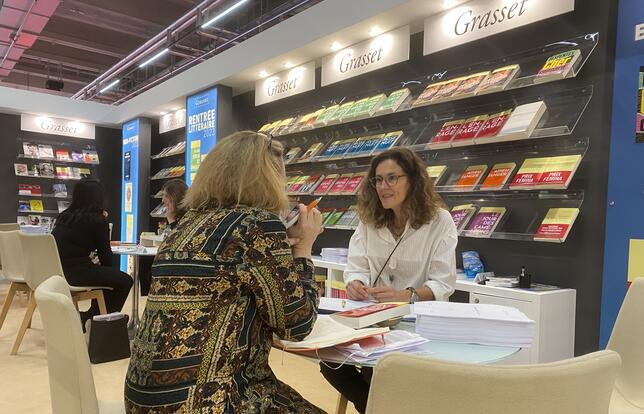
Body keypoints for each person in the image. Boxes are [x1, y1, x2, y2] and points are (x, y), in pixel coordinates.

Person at [125, 131, 325, 413]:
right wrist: (303, 247)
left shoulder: (184, 225)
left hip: (143, 398)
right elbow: (298, 325)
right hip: (211, 400)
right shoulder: (258, 224)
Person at [320, 147, 458, 414]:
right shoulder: (369, 221)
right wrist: (356, 283)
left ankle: (374, 406)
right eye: (378, 180)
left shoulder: (439, 221)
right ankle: (377, 407)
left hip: (415, 323)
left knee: (381, 370)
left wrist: (406, 295)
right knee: (330, 362)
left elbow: (442, 284)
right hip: (372, 320)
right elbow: (356, 266)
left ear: (413, 180)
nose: (383, 187)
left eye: (392, 178)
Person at [52, 179, 133, 327]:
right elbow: (106, 259)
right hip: (77, 273)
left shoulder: (64, 216)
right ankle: (103, 320)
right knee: (124, 280)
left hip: (58, 271)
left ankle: (93, 315)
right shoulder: (97, 220)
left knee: (104, 276)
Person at [138, 178, 188, 296]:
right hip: (176, 256)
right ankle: (150, 294)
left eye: (165, 196)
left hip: (181, 259)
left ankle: (151, 294)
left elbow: (178, 239)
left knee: (149, 263)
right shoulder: (179, 215)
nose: (162, 200)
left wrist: (171, 219)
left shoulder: (185, 217)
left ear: (174, 197)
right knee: (145, 259)